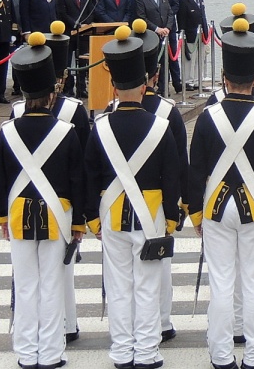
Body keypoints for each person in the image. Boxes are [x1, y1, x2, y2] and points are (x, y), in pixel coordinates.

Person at [188, 18, 254, 369]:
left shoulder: (207, 116)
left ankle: (220, 355)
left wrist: (196, 215)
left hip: (215, 207)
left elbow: (196, 169)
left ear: (225, 78)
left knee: (222, 283)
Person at [84, 26, 182, 369]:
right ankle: (147, 352)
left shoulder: (100, 126)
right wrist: (171, 218)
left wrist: (92, 218)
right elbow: (173, 176)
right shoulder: (160, 126)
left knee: (119, 286)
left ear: (114, 87)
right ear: (144, 86)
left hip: (111, 216)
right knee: (147, 288)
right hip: (151, 215)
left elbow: (90, 176)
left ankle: (122, 352)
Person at [0, 32, 85, 369]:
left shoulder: (7, 130)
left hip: (18, 216)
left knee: (26, 285)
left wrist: (3, 217)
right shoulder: (66, 131)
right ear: (52, 92)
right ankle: (50, 353)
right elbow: (76, 180)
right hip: (57, 216)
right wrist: (78, 224)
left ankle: (25, 352)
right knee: (52, 285)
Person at [105, 20, 190, 344]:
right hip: (154, 204)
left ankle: (124, 337)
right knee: (157, 271)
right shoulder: (167, 112)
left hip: (115, 205)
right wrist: (178, 207)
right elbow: (178, 165)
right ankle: (160, 323)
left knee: (120, 279)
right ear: (153, 75)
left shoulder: (108, 111)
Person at [14, 21, 92, 345]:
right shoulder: (75, 110)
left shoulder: (17, 109)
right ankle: (66, 324)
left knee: (30, 277)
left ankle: (35, 333)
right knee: (62, 271)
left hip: (24, 200)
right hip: (61, 201)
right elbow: (82, 164)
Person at [54, 0, 94, 98]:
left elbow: (90, 11)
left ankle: (82, 88)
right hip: (69, 33)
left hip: (83, 34)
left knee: (83, 62)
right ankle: (68, 89)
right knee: (67, 62)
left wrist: (86, 24)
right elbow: (62, 14)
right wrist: (75, 24)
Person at [135, 0, 175, 95]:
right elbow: (142, 17)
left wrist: (167, 28)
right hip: (150, 36)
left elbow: (170, 14)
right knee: (151, 63)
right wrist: (157, 29)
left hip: (164, 36)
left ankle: (163, 89)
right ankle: (149, 87)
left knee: (164, 62)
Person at [150, 0, 181, 94]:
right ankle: (160, 85)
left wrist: (167, 21)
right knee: (159, 59)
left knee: (173, 56)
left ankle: (177, 83)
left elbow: (175, 5)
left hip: (170, 28)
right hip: (156, 29)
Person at [178, 0, 209, 91]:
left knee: (199, 58)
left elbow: (203, 17)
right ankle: (187, 81)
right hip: (189, 34)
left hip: (201, 34)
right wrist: (183, 34)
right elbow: (181, 18)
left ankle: (197, 80)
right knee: (189, 58)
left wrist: (206, 33)